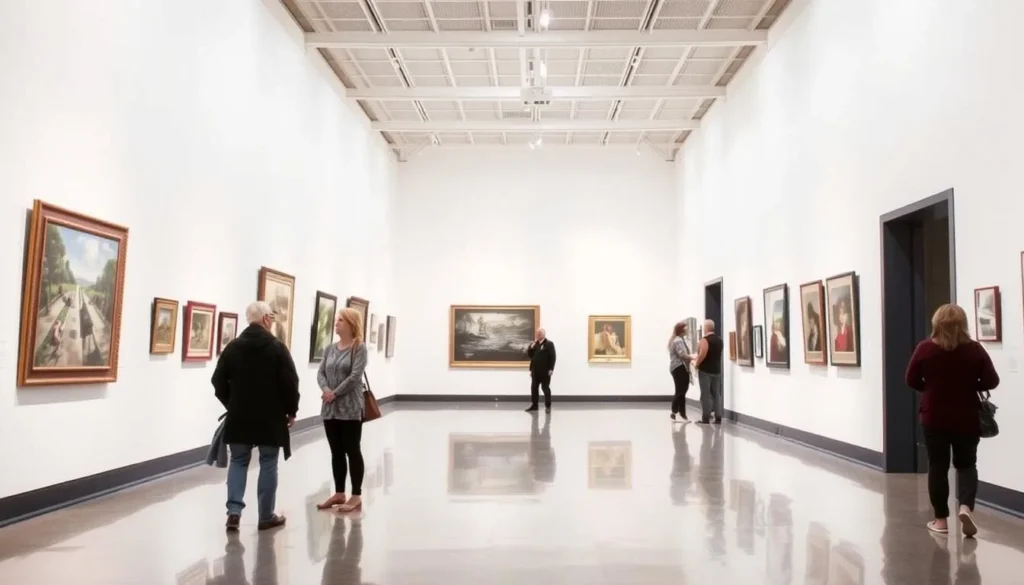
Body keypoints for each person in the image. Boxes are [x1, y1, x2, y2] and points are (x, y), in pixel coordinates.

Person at [905, 304, 999, 537]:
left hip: (933, 415)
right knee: (967, 464)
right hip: (966, 415)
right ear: (962, 324)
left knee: (937, 466)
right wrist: (971, 385)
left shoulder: (925, 348)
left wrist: (930, 388)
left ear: (936, 323)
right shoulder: (974, 350)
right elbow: (992, 381)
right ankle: (965, 507)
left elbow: (911, 379)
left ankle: (940, 521)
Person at [212, 301, 300, 532]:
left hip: (239, 417)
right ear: (265, 319)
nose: (272, 321)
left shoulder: (232, 348)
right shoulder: (277, 348)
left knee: (238, 461)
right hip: (271, 418)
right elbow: (290, 382)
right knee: (268, 463)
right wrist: (291, 410)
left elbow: (217, 381)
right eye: (271, 317)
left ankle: (234, 512)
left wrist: (232, 403)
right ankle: (266, 516)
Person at [316, 307, 368, 513]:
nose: (336, 323)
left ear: (351, 324)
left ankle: (356, 495)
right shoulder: (330, 349)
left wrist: (334, 393)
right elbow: (320, 373)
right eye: (337, 320)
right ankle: (339, 493)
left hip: (350, 408)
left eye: (340, 320)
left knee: (352, 450)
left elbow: (355, 376)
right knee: (336, 451)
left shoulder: (359, 348)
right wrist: (326, 390)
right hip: (330, 409)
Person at [694, 319, 724, 424]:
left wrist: (696, 364)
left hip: (705, 371)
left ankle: (705, 418)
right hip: (717, 370)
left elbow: (702, 354)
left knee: (705, 395)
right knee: (716, 394)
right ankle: (718, 416)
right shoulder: (720, 340)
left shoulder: (704, 340)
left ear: (706, 328)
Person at [668, 320, 697, 420]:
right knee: (681, 390)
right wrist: (693, 357)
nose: (688, 330)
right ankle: (675, 412)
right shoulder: (678, 341)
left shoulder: (678, 339)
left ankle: (681, 413)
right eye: (686, 329)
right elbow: (682, 355)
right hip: (679, 367)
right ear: (681, 330)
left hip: (678, 368)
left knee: (682, 391)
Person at [526, 328, 556, 412]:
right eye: (537, 333)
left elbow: (553, 357)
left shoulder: (549, 344)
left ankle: (548, 406)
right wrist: (531, 347)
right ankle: (534, 405)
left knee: (545, 388)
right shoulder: (535, 344)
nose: (538, 335)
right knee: (534, 388)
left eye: (539, 333)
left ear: (543, 334)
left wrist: (551, 369)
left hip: (545, 371)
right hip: (535, 371)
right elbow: (530, 355)